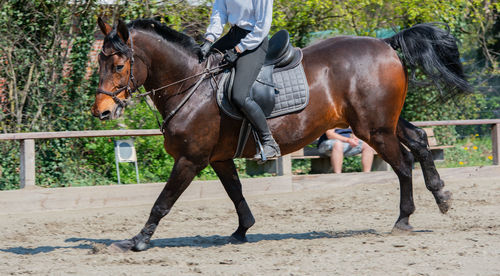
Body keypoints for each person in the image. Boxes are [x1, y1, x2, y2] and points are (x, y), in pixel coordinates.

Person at [198, 0, 280, 161]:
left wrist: (238, 49)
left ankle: (269, 142)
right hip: (233, 35)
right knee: (200, 65)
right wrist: (209, 40)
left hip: (254, 41)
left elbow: (262, 27)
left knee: (239, 95)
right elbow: (219, 14)